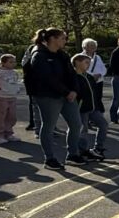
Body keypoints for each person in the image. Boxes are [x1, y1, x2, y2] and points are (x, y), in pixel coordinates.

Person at [26, 29, 83, 170]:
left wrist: (74, 90)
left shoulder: (62, 55)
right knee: (49, 126)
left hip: (67, 95)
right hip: (48, 96)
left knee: (76, 124)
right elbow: (47, 78)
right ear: (52, 38)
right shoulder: (38, 55)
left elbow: (72, 73)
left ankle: (73, 154)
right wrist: (65, 92)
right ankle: (49, 159)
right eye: (63, 38)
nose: (65, 41)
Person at [70, 54, 106, 160]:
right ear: (77, 62)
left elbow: (94, 93)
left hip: (93, 107)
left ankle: (98, 148)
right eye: (86, 62)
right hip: (81, 109)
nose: (88, 65)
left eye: (89, 63)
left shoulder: (89, 77)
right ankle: (81, 150)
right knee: (83, 130)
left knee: (103, 124)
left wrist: (98, 105)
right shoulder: (73, 77)